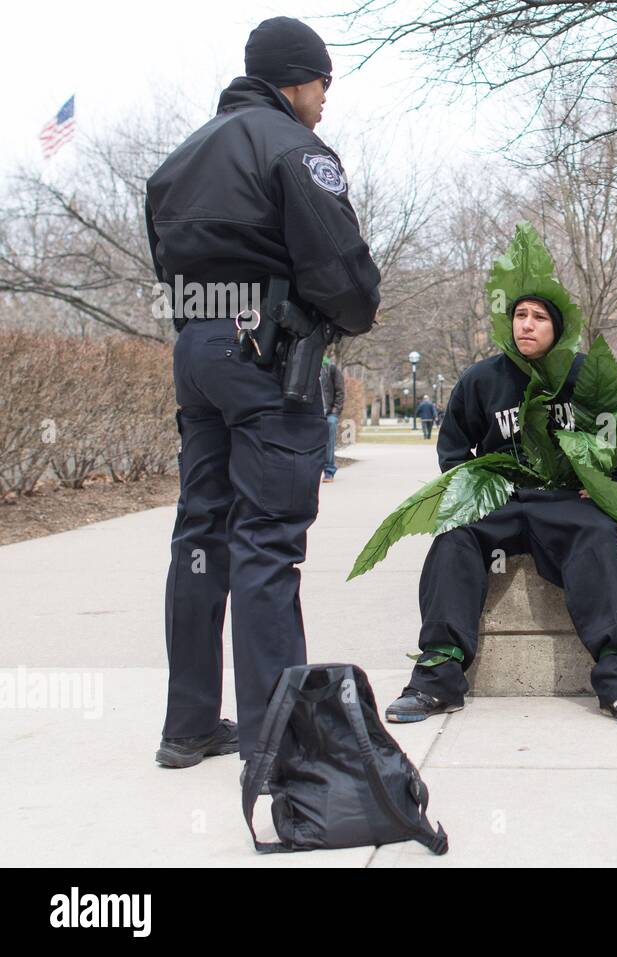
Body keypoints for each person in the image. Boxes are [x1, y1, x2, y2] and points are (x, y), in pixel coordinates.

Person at [146, 16, 381, 777]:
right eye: (323, 85)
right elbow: (345, 279)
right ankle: (277, 742)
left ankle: (187, 727)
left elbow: (172, 265)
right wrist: (346, 312)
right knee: (267, 543)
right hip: (267, 358)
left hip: (198, 351)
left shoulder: (180, 159)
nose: (325, 102)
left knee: (200, 537)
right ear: (294, 79)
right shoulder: (294, 149)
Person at [381, 224, 617, 731]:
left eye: (538, 318)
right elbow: (452, 449)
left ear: (558, 327)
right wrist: (476, 487)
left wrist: (607, 486)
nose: (527, 325)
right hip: (502, 500)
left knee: (599, 538)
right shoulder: (481, 379)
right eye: (519, 316)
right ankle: (438, 679)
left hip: (566, 501)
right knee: (453, 537)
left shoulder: (584, 377)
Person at [320, 355, 344, 481]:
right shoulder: (304, 366)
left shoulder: (330, 367)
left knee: (330, 425)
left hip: (329, 412)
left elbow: (340, 392)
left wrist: (335, 412)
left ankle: (329, 470)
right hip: (312, 413)